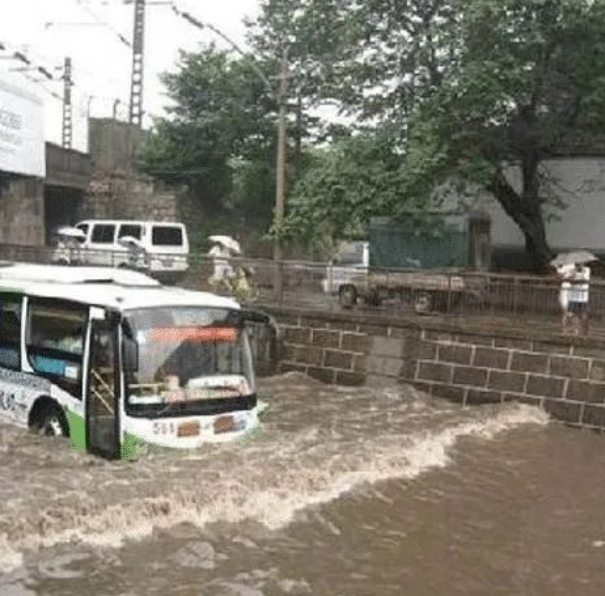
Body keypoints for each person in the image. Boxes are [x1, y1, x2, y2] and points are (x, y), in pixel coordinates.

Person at [567, 262, 591, 335]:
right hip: (573, 297)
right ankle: (575, 330)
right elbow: (568, 280)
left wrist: (578, 277)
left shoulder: (587, 270)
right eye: (577, 264)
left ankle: (584, 331)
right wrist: (573, 274)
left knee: (583, 315)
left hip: (583, 298)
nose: (578, 265)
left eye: (580, 264)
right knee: (570, 314)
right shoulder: (572, 270)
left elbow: (585, 280)